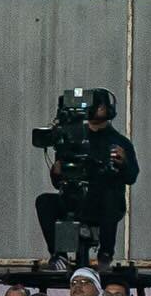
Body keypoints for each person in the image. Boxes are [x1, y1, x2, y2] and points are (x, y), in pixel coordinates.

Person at [35, 92, 139, 267]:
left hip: (102, 204)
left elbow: (131, 177)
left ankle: (105, 254)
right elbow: (58, 182)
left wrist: (123, 163)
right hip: (74, 199)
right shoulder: (71, 139)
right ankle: (59, 254)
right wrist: (57, 171)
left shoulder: (119, 142)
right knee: (44, 201)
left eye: (100, 106)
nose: (96, 109)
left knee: (109, 195)